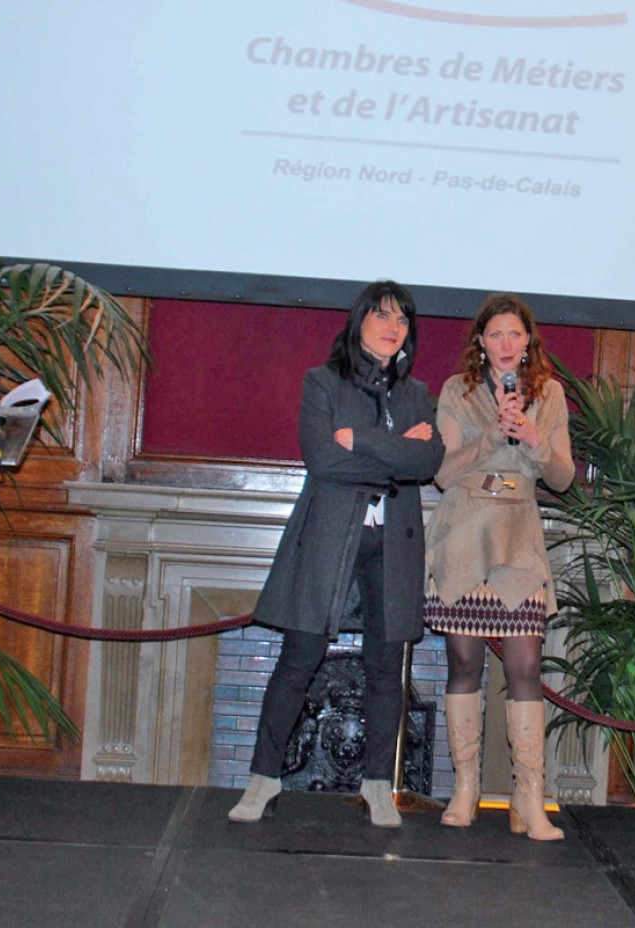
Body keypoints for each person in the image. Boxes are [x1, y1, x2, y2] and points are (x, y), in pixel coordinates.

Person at [228, 280, 444, 827]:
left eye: (402, 321)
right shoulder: (320, 381)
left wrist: (363, 439)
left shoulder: (417, 392)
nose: (393, 328)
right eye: (382, 316)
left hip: (392, 545)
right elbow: (322, 459)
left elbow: (427, 464)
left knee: (384, 668)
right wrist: (396, 451)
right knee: (298, 660)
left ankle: (377, 787)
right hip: (329, 539)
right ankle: (261, 780)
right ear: (359, 321)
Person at [424, 293, 575, 841]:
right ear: (481, 344)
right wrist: (493, 433)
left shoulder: (549, 393)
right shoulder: (456, 391)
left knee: (526, 667)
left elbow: (563, 478)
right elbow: (442, 471)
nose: (507, 345)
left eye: (516, 335)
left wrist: (533, 440)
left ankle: (528, 798)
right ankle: (466, 789)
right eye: (496, 336)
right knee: (463, 663)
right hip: (465, 531)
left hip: (518, 535)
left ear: (528, 341)